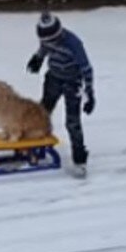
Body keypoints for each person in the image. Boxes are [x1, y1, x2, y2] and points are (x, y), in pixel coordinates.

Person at [26, 11, 95, 178]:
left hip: (73, 83)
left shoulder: (73, 43)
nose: (49, 42)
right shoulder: (47, 39)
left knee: (72, 122)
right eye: (45, 40)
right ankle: (36, 146)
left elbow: (87, 69)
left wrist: (90, 93)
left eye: (52, 40)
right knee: (42, 114)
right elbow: (44, 47)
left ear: (59, 33)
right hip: (53, 79)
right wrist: (38, 59)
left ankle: (79, 160)